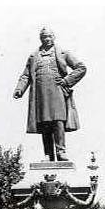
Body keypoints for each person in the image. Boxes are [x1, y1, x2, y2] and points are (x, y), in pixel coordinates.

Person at [13, 27, 87, 162]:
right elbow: (26, 75)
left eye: (49, 36)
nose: (47, 39)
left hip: (57, 91)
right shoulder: (33, 56)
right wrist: (19, 89)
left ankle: (61, 151)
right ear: (40, 39)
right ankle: (48, 154)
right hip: (40, 94)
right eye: (44, 37)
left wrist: (66, 80)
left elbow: (81, 67)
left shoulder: (63, 53)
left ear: (54, 37)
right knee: (45, 122)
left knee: (58, 121)